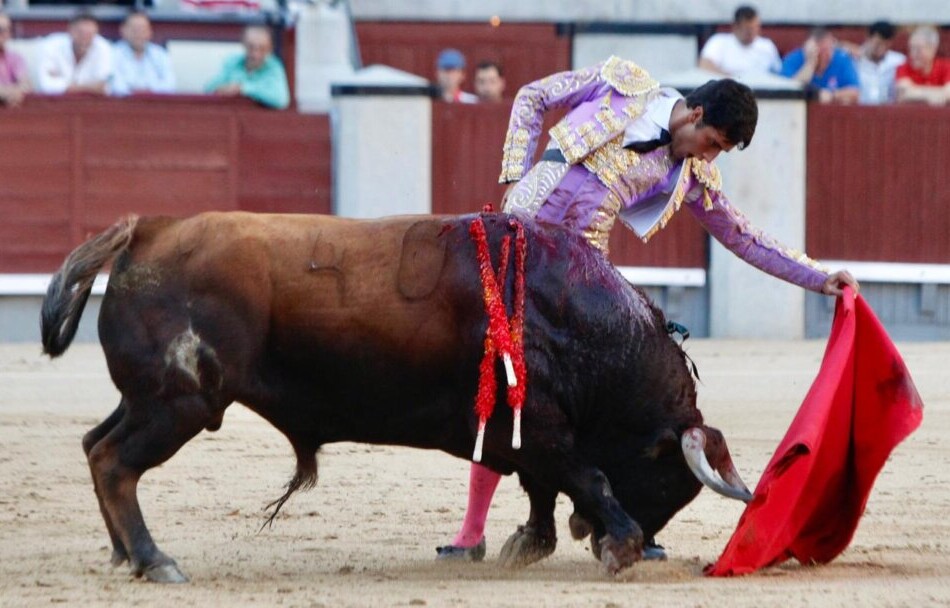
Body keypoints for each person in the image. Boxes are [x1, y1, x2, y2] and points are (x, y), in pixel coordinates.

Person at [436, 56, 858, 563]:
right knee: (500, 379)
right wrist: (516, 174)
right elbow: (531, 95)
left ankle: (613, 519)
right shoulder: (622, 83)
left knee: (603, 396)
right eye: (714, 143)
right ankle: (471, 531)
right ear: (694, 113)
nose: (712, 157)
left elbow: (744, 237)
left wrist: (817, 277)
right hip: (520, 242)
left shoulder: (689, 174)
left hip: (580, 276)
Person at [205, 25, 290, 110]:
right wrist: (221, 88)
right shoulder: (233, 62)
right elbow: (208, 88)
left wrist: (243, 88)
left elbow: (280, 100)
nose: (255, 54)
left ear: (270, 49)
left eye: (262, 49)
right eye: (251, 47)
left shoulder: (274, 67)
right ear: (243, 44)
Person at [36, 11, 113, 95]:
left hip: (90, 105)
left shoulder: (103, 47)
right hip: (55, 104)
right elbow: (45, 85)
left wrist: (64, 85)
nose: (84, 39)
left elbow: (105, 88)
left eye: (89, 35)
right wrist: (89, 87)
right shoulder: (52, 45)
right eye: (80, 33)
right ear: (70, 30)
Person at [698, 5, 781, 78]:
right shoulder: (718, 42)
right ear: (735, 27)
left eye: (755, 28)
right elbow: (704, 65)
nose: (752, 33)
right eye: (748, 29)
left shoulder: (767, 46)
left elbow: (778, 73)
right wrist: (730, 78)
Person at [780, 27, 860, 104]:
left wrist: (832, 95)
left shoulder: (842, 59)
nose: (828, 55)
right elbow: (789, 91)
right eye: (823, 50)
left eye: (830, 49)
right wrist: (810, 62)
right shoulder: (792, 60)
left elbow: (855, 92)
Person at [110, 11, 176, 96]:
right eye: (134, 29)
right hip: (124, 105)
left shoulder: (160, 54)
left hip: (155, 104)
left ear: (150, 32)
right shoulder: (113, 53)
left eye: (142, 29)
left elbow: (170, 85)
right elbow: (115, 87)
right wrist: (136, 93)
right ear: (123, 30)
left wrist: (149, 91)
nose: (138, 33)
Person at [844, 21, 906, 105]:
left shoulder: (898, 61)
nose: (882, 48)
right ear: (868, 38)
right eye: (878, 44)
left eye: (886, 45)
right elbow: (831, 46)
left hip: (888, 112)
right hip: (860, 111)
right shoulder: (853, 58)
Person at [896, 25, 950, 106]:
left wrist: (916, 92)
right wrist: (939, 93)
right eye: (911, 48)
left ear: (932, 49)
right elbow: (904, 94)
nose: (913, 54)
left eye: (918, 49)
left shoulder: (946, 66)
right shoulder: (904, 67)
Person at [0, 11, 30, 107]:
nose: (4, 34)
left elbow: (26, 85)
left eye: (7, 30)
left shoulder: (15, 58)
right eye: (1, 29)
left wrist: (12, 93)